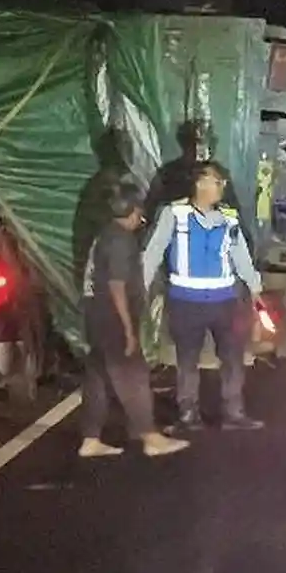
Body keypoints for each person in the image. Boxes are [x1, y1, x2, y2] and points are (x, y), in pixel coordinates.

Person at [142, 160, 265, 432]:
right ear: (199, 184)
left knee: (232, 358)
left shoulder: (229, 217)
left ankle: (234, 413)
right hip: (186, 302)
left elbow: (240, 255)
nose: (222, 187)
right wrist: (140, 288)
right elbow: (152, 253)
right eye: (216, 181)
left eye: (222, 182)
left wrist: (255, 289)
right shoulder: (174, 214)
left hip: (225, 302)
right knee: (187, 360)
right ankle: (188, 413)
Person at [79, 182, 189, 458]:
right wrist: (128, 329)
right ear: (131, 210)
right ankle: (150, 436)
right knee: (134, 375)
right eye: (139, 210)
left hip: (95, 316)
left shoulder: (104, 234)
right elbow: (117, 286)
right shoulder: (121, 240)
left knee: (99, 378)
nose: (141, 217)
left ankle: (91, 439)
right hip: (114, 319)